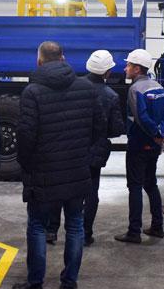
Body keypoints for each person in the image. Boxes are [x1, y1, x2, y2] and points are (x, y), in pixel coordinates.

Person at [12, 41, 104, 289]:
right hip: (77, 170)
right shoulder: (87, 88)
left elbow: (26, 136)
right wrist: (87, 159)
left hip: (43, 173)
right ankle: (69, 283)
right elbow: (100, 128)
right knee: (75, 226)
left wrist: (26, 165)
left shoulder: (33, 92)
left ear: (39, 61)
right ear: (63, 58)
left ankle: (35, 285)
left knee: (38, 227)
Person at [45, 50, 126, 247]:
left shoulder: (72, 87)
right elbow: (116, 130)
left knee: (60, 189)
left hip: (67, 148)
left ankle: (51, 231)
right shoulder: (111, 96)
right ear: (107, 73)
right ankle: (85, 233)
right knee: (90, 193)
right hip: (93, 153)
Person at [115, 49, 164, 244]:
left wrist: (156, 134)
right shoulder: (159, 87)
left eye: (129, 65)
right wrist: (161, 134)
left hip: (139, 144)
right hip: (154, 146)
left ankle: (134, 232)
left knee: (135, 186)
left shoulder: (135, 90)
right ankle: (158, 227)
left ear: (137, 68)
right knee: (151, 184)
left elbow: (141, 117)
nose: (126, 68)